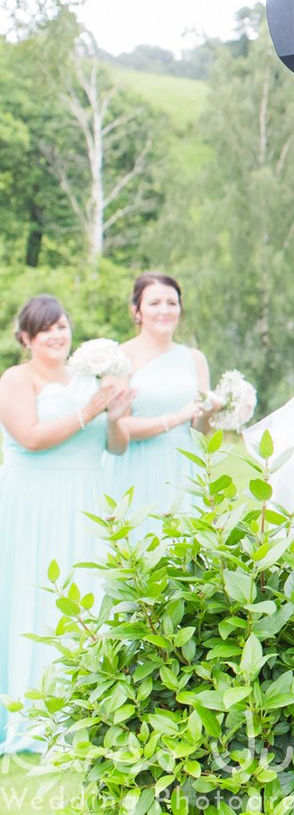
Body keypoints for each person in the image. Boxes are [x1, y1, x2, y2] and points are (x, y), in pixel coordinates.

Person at [0, 295, 132, 752]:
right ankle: (30, 713)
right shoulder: (16, 378)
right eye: (45, 330)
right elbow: (31, 438)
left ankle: (84, 708)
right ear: (26, 339)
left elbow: (115, 448)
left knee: (88, 592)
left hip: (85, 495)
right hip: (34, 500)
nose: (57, 335)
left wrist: (115, 416)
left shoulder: (88, 379)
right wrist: (91, 409)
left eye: (62, 325)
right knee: (33, 592)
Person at [107, 273, 217, 517]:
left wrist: (209, 413)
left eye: (172, 303)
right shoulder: (121, 357)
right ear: (137, 311)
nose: (164, 310)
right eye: (154, 303)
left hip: (183, 465)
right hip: (137, 464)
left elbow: (199, 433)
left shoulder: (195, 358)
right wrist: (176, 418)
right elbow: (118, 426)